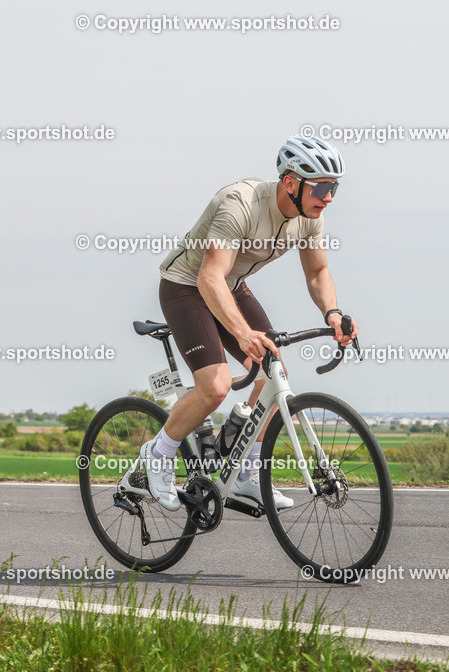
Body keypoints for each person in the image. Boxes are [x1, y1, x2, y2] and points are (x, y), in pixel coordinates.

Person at [140, 135, 359, 511]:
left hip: (231, 286)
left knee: (273, 373)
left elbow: (318, 271)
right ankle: (157, 454)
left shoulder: (310, 219)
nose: (329, 197)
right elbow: (209, 277)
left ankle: (246, 473)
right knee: (216, 386)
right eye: (322, 186)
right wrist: (242, 333)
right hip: (187, 287)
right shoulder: (239, 204)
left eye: (334, 186)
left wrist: (333, 314)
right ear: (291, 183)